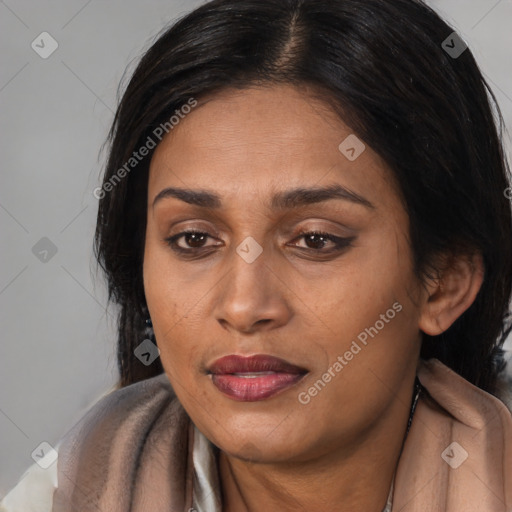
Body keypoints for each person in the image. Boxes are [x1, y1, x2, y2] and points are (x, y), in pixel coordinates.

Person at [2, 0, 512, 510]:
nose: (244, 306)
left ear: (444, 281)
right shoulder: (62, 494)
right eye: (194, 239)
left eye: (315, 240)